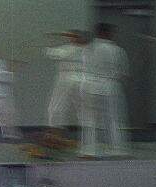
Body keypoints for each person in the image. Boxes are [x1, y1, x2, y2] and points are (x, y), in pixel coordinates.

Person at [79, 23, 129, 158]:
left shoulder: (87, 49)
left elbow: (83, 67)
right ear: (108, 33)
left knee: (90, 119)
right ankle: (117, 149)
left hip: (89, 86)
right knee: (113, 119)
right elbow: (123, 73)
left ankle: (89, 150)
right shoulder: (117, 50)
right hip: (110, 86)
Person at [45, 30, 88, 133]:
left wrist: (52, 38)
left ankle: (55, 129)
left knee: (56, 105)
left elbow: (50, 53)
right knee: (82, 106)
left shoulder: (68, 49)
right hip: (82, 78)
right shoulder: (87, 50)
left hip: (66, 78)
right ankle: (89, 130)